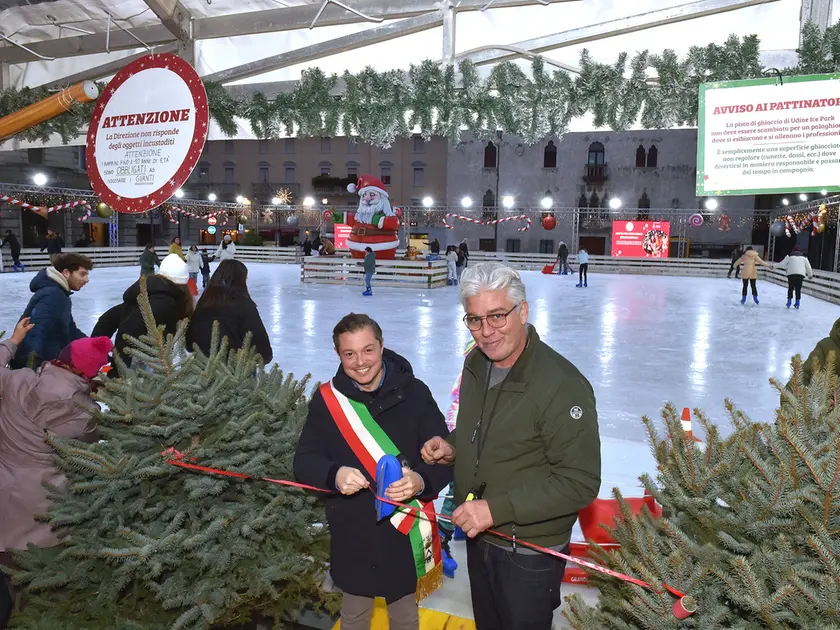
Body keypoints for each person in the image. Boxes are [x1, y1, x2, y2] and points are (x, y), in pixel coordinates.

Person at [420, 262, 601, 630]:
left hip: (528, 552)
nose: (486, 331)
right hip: (481, 536)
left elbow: (580, 482)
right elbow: (486, 430)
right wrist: (454, 447)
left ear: (523, 311)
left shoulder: (561, 384)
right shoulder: (477, 362)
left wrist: (495, 509)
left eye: (497, 316)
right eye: (474, 319)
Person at [294, 314, 451, 630]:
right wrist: (334, 474)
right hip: (353, 531)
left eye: (368, 350)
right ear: (338, 354)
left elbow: (443, 457)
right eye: (349, 354)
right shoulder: (328, 401)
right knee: (353, 615)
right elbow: (304, 461)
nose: (360, 362)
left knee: (405, 616)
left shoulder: (416, 393)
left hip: (404, 529)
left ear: (382, 346)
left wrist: (420, 480)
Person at [0, 320, 112, 624]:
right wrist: (96, 396)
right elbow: (92, 440)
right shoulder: (85, 411)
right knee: (35, 568)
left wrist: (12, 342)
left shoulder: (17, 380)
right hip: (45, 499)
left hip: (4, 485)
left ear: (61, 357)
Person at [93, 254, 193, 373]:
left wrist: (94, 350)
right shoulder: (163, 302)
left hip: (149, 357)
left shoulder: (145, 293)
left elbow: (108, 319)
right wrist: (117, 370)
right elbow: (127, 331)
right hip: (146, 361)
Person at [11, 253, 92, 370]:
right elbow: (36, 330)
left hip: (47, 363)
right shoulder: (53, 294)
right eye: (82, 274)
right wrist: (31, 367)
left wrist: (94, 345)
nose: (86, 280)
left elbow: (70, 330)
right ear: (66, 273)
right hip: (36, 367)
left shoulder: (60, 294)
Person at [186, 259, 272, 364]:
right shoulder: (244, 306)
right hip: (235, 369)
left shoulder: (203, 302)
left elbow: (190, 343)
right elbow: (262, 349)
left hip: (202, 367)